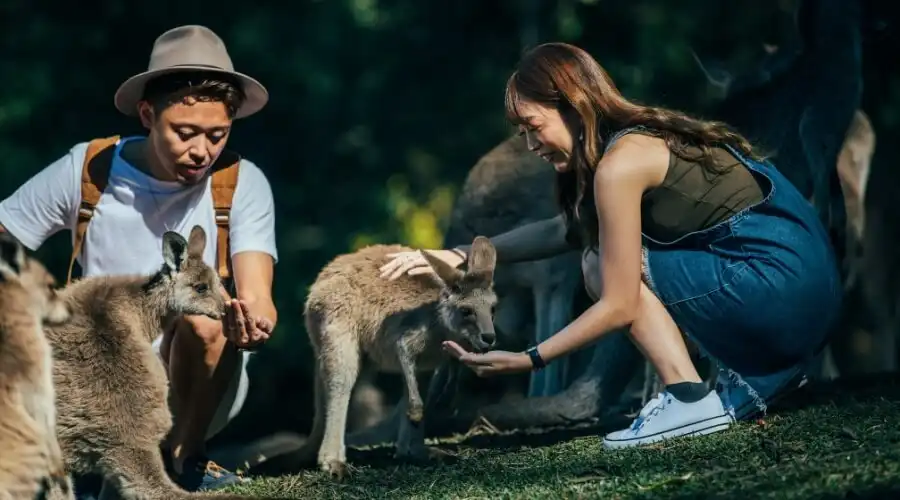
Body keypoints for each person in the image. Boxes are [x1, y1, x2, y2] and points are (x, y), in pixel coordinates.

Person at [379, 42, 841, 448]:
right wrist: (458, 255)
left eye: (533, 125)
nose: (529, 144)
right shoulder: (637, 140)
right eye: (520, 132)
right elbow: (560, 230)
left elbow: (620, 301)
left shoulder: (621, 165)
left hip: (781, 290)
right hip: (808, 290)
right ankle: (747, 381)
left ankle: (687, 398)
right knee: (595, 252)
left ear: (572, 104)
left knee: (600, 266)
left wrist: (528, 358)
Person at [0, 25, 278, 489]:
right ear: (148, 115)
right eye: (185, 132)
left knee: (207, 317)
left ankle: (184, 459)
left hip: (195, 383)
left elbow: (257, 296)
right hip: (94, 371)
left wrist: (254, 322)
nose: (202, 151)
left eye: (217, 135)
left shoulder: (241, 183)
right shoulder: (91, 168)